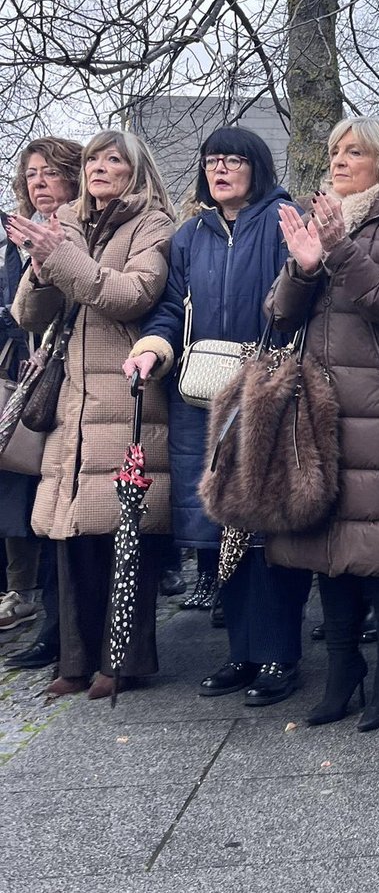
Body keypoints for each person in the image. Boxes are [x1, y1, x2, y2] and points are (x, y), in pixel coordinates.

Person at [262, 117, 379, 732]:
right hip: (318, 401)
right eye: (335, 149)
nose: (338, 160)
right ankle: (343, 670)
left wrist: (338, 251)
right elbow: (280, 314)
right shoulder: (320, 218)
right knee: (326, 537)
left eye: (354, 151)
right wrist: (305, 267)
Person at [124, 126, 311, 708]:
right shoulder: (188, 237)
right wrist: (152, 347)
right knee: (216, 527)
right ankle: (242, 652)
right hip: (200, 398)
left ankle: (280, 654)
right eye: (212, 161)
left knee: (266, 527)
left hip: (266, 391)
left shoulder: (286, 220)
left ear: (258, 167)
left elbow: (302, 301)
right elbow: (167, 310)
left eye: (233, 160)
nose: (220, 169)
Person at [7, 130, 174, 699]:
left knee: (125, 532)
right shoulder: (68, 221)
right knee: (70, 533)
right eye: (93, 159)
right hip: (72, 400)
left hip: (127, 395)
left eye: (113, 159)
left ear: (135, 168)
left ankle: (123, 663)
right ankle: (73, 662)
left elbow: (133, 294)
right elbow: (28, 314)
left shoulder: (153, 224)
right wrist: (40, 262)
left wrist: (65, 257)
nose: (100, 167)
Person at [2, 138, 82, 668]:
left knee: (66, 510)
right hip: (29, 386)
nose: (39, 182)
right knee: (32, 504)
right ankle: (48, 622)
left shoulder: (81, 231)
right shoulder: (15, 241)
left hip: (77, 381)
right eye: (31, 174)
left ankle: (63, 628)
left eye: (50, 173)